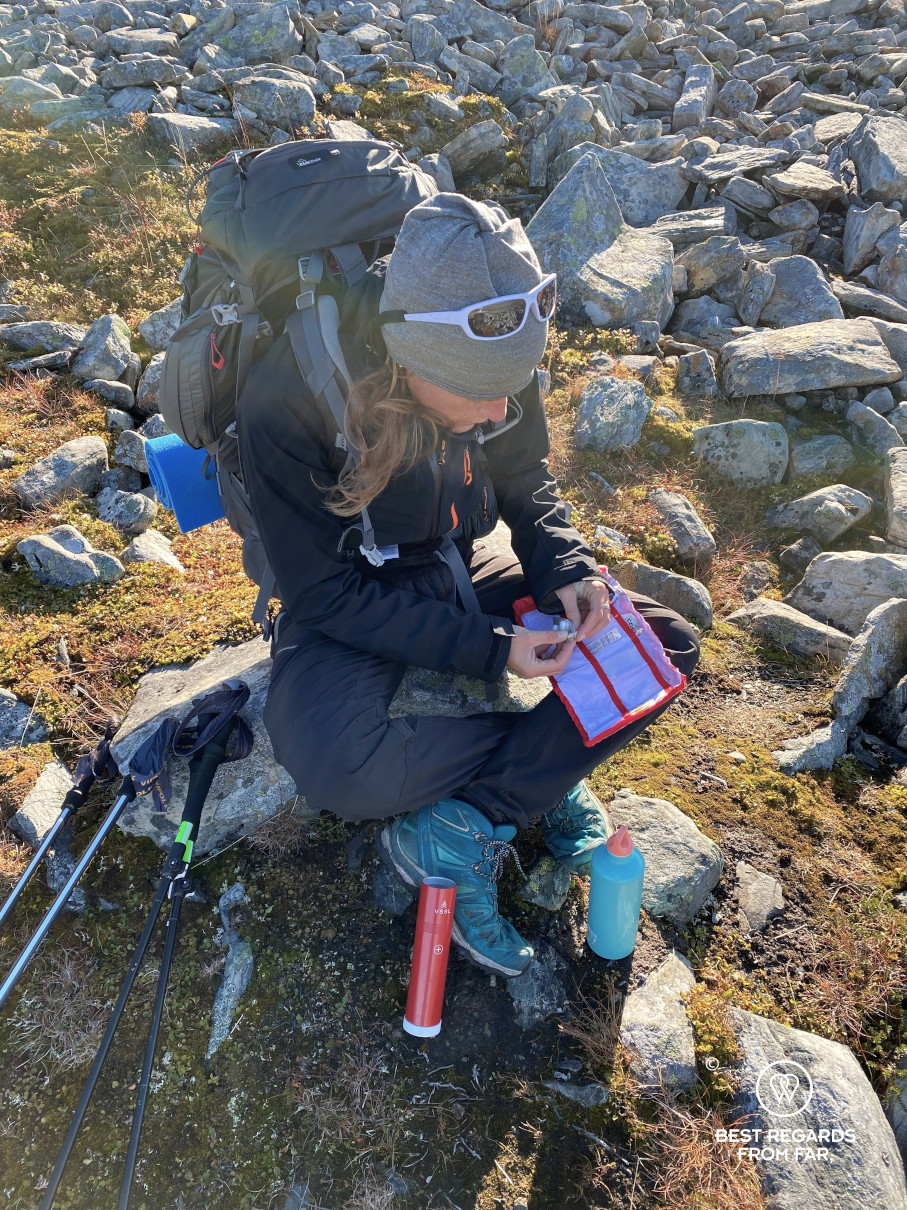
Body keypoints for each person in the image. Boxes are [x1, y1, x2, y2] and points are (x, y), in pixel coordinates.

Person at [237, 193, 699, 979]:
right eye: (481, 396)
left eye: (514, 389)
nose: (501, 409)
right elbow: (325, 597)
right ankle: (542, 775)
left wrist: (570, 571)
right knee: (334, 764)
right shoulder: (286, 397)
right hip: (353, 592)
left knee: (661, 646)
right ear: (410, 361)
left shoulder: (498, 354)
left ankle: (472, 819)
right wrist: (494, 653)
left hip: (455, 560)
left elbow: (527, 483)